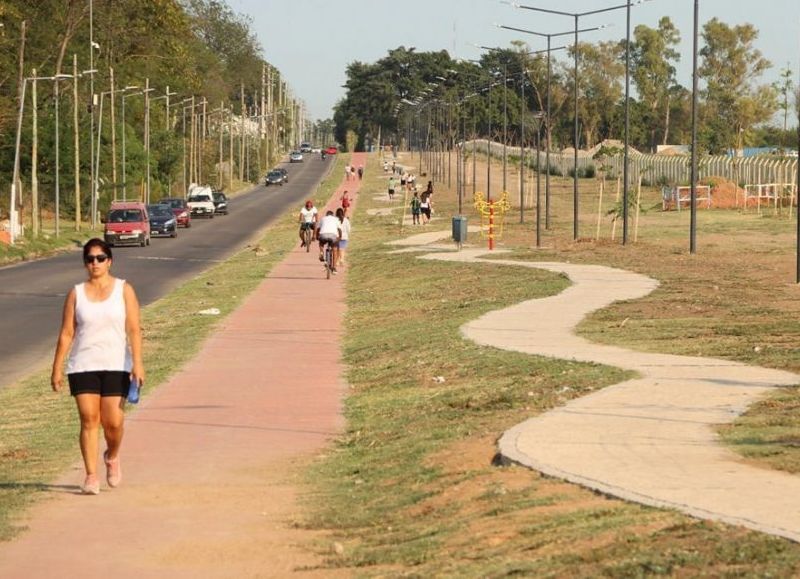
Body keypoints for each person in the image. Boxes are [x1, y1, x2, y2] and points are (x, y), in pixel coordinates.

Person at [51, 238, 144, 495]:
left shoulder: (124, 290)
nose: (95, 263)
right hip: (83, 364)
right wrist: (57, 367)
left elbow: (134, 329)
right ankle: (91, 475)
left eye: (100, 258)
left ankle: (112, 455)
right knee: (89, 419)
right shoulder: (76, 294)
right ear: (85, 263)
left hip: (117, 364)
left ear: (109, 261)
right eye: (90, 259)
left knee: (113, 422)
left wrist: (138, 363)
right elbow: (67, 333)